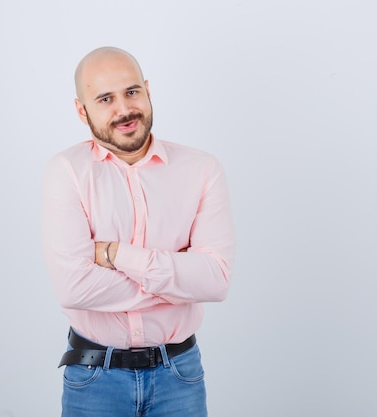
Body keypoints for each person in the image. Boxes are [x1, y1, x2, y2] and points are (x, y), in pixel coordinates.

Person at [41, 46, 235, 417]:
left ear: (147, 90)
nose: (124, 110)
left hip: (180, 375)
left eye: (132, 92)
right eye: (105, 99)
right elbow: (74, 287)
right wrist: (176, 279)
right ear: (82, 111)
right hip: (94, 378)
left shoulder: (202, 170)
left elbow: (216, 281)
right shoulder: (67, 171)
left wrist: (115, 255)